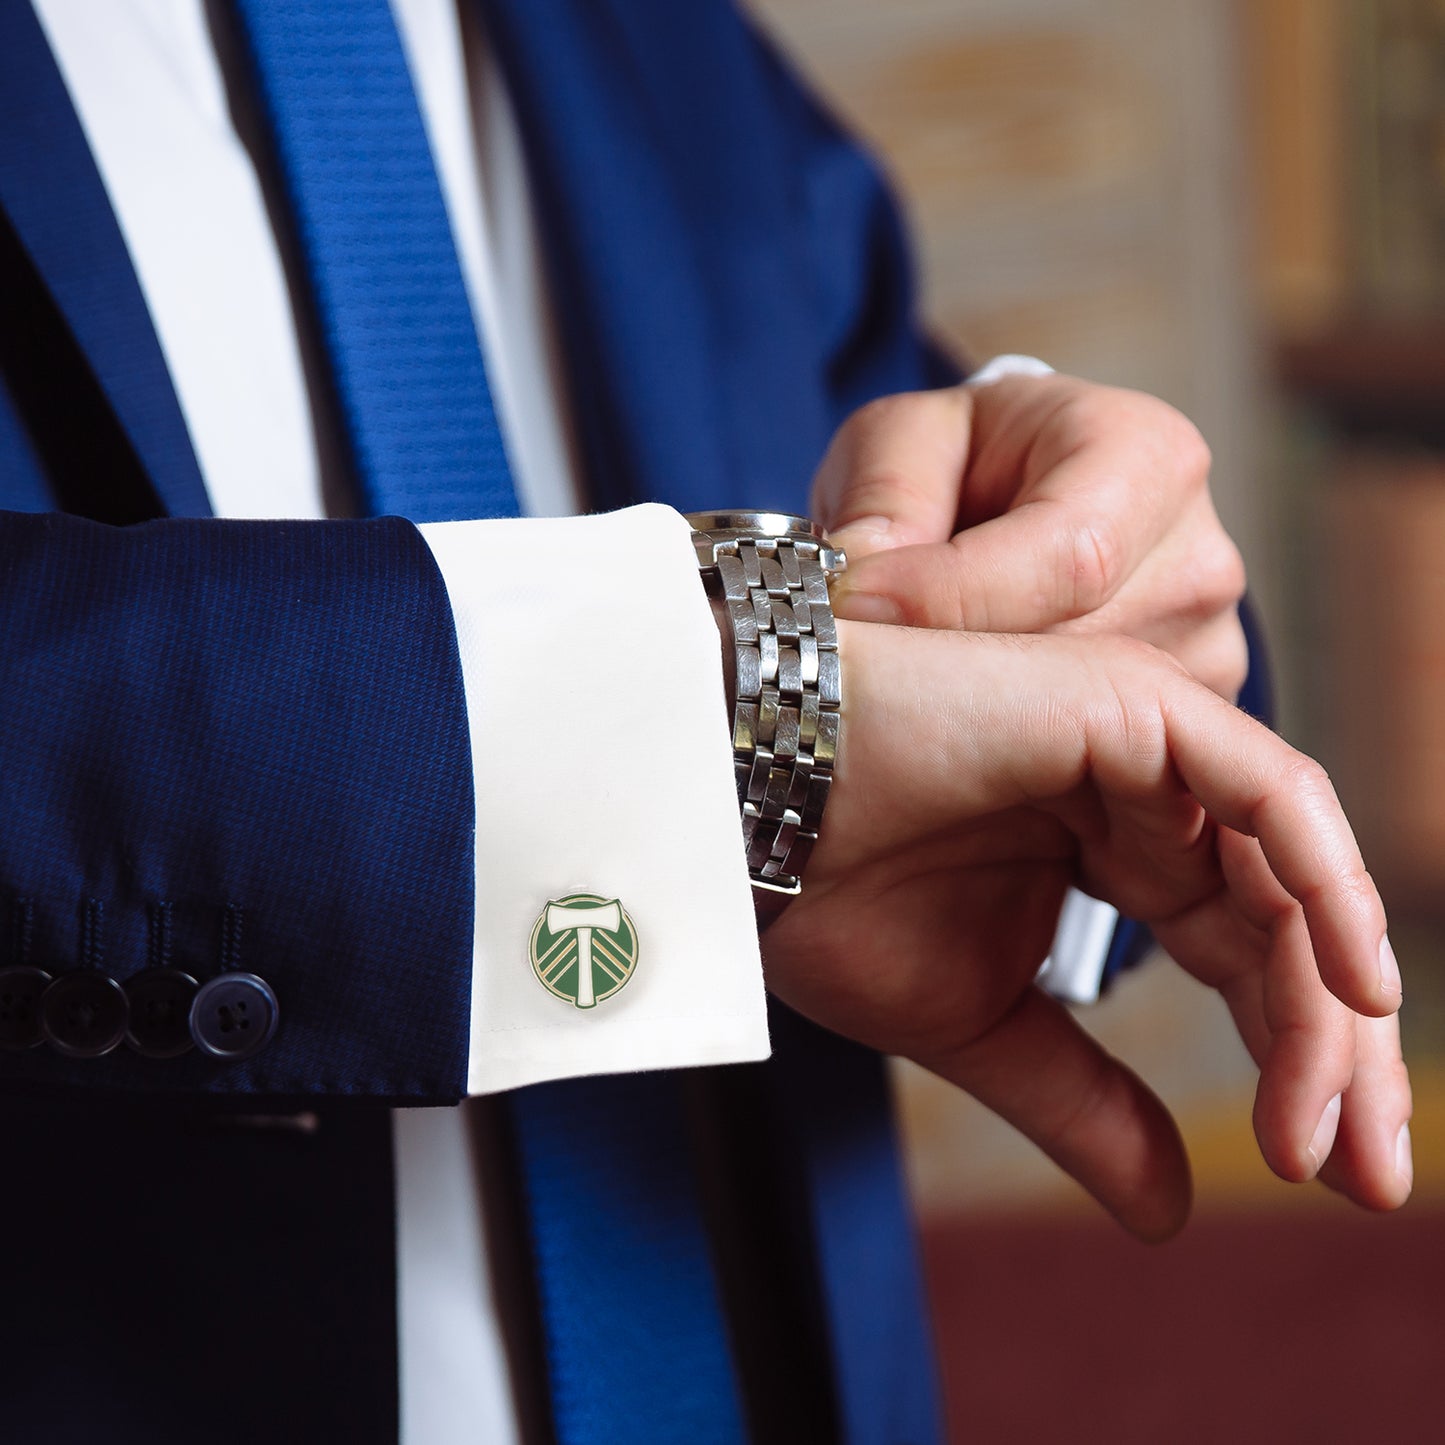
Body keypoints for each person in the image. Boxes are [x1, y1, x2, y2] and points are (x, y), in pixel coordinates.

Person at [0, 1, 1410, 1442]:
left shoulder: (649, 38)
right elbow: (791, 690)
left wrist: (1098, 583)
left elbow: (912, 623)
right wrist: (695, 739)